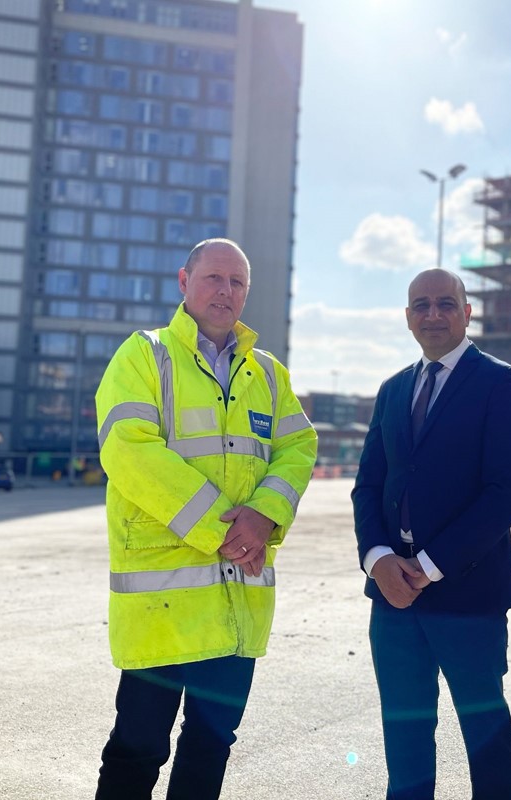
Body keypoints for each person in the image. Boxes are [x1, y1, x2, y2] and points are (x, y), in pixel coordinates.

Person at [94, 238, 318, 799]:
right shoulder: (145, 356)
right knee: (138, 745)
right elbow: (129, 450)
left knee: (212, 743)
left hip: (236, 602)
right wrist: (227, 530)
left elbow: (298, 448)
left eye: (237, 282)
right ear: (184, 282)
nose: (226, 291)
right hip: (164, 606)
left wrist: (265, 515)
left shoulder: (268, 373)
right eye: (214, 278)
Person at [352, 268, 511, 800]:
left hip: (467, 594)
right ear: (408, 317)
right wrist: (379, 559)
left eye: (445, 304)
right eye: (421, 305)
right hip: (393, 599)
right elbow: (369, 487)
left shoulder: (501, 383)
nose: (433, 314)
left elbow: (506, 493)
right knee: (404, 737)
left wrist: (429, 567)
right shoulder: (392, 390)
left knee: (486, 737)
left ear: (467, 312)